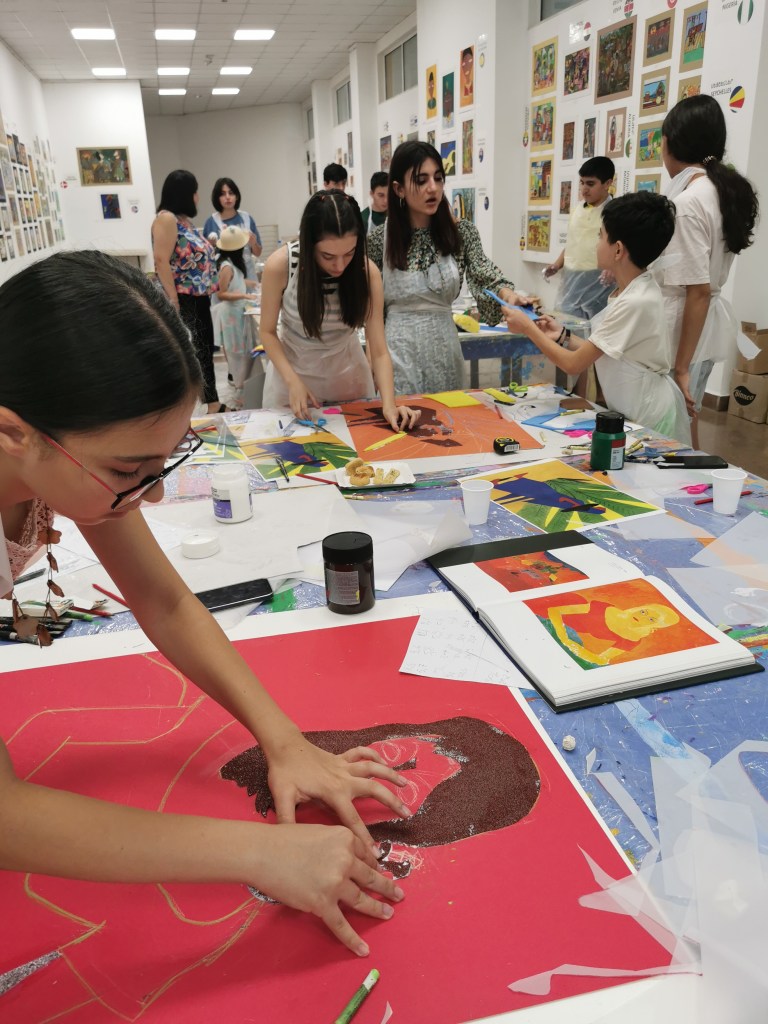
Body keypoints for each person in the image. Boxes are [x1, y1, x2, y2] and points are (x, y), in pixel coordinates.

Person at [0, 250, 408, 957]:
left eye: (163, 463)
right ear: (13, 432)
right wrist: (259, 853)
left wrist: (283, 740)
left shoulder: (58, 458)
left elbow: (163, 600)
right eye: (130, 469)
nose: (152, 493)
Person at [502, 192, 691, 445]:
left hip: (650, 415)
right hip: (636, 407)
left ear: (618, 250)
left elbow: (573, 365)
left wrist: (528, 328)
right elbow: (610, 354)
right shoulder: (632, 290)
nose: (596, 243)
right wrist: (563, 336)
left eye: (600, 236)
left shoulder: (636, 300)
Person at [367, 140, 532, 395]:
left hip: (444, 350)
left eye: (438, 178)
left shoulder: (460, 233)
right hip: (396, 353)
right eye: (421, 180)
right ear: (399, 189)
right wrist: (372, 358)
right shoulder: (379, 241)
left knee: (448, 414)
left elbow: (483, 272)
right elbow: (371, 311)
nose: (433, 188)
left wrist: (508, 295)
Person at [260, 189, 420, 429]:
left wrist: (389, 404)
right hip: (292, 378)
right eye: (327, 256)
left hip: (348, 378)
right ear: (309, 245)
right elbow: (267, 332)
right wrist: (293, 381)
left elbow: (378, 349)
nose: (339, 265)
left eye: (349, 253)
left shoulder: (367, 272)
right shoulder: (281, 266)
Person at [657, 95, 759, 448]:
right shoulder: (720, 192)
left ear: (670, 143)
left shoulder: (689, 202)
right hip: (701, 328)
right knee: (687, 417)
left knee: (668, 426)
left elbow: (697, 290)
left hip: (682, 331)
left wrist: (681, 366)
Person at [152, 169, 224, 414]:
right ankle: (196, 407)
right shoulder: (166, 219)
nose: (197, 197)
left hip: (198, 296)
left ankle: (213, 403)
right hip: (183, 297)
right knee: (192, 355)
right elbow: (161, 259)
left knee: (204, 351)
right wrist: (173, 299)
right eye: (195, 192)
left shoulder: (183, 221)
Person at [543, 157, 616, 321]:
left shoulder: (614, 212)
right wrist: (557, 264)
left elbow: (621, 247)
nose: (584, 189)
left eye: (590, 184)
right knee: (565, 326)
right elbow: (572, 243)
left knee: (594, 327)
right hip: (571, 280)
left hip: (598, 282)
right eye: (582, 183)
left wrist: (614, 269)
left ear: (607, 183)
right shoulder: (577, 210)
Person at [213, 225, 257, 410]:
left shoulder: (231, 264)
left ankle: (242, 389)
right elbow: (222, 293)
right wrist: (244, 295)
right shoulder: (226, 267)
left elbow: (236, 282)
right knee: (236, 353)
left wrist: (251, 283)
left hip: (238, 313)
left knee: (242, 351)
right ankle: (239, 392)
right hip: (231, 315)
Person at [203, 177, 263, 277]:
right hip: (224, 278)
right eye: (223, 194)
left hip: (249, 275)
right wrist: (211, 246)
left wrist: (253, 244)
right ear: (217, 198)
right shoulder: (211, 222)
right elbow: (205, 257)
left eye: (231, 193)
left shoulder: (246, 218)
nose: (227, 197)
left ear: (237, 196)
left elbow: (258, 253)